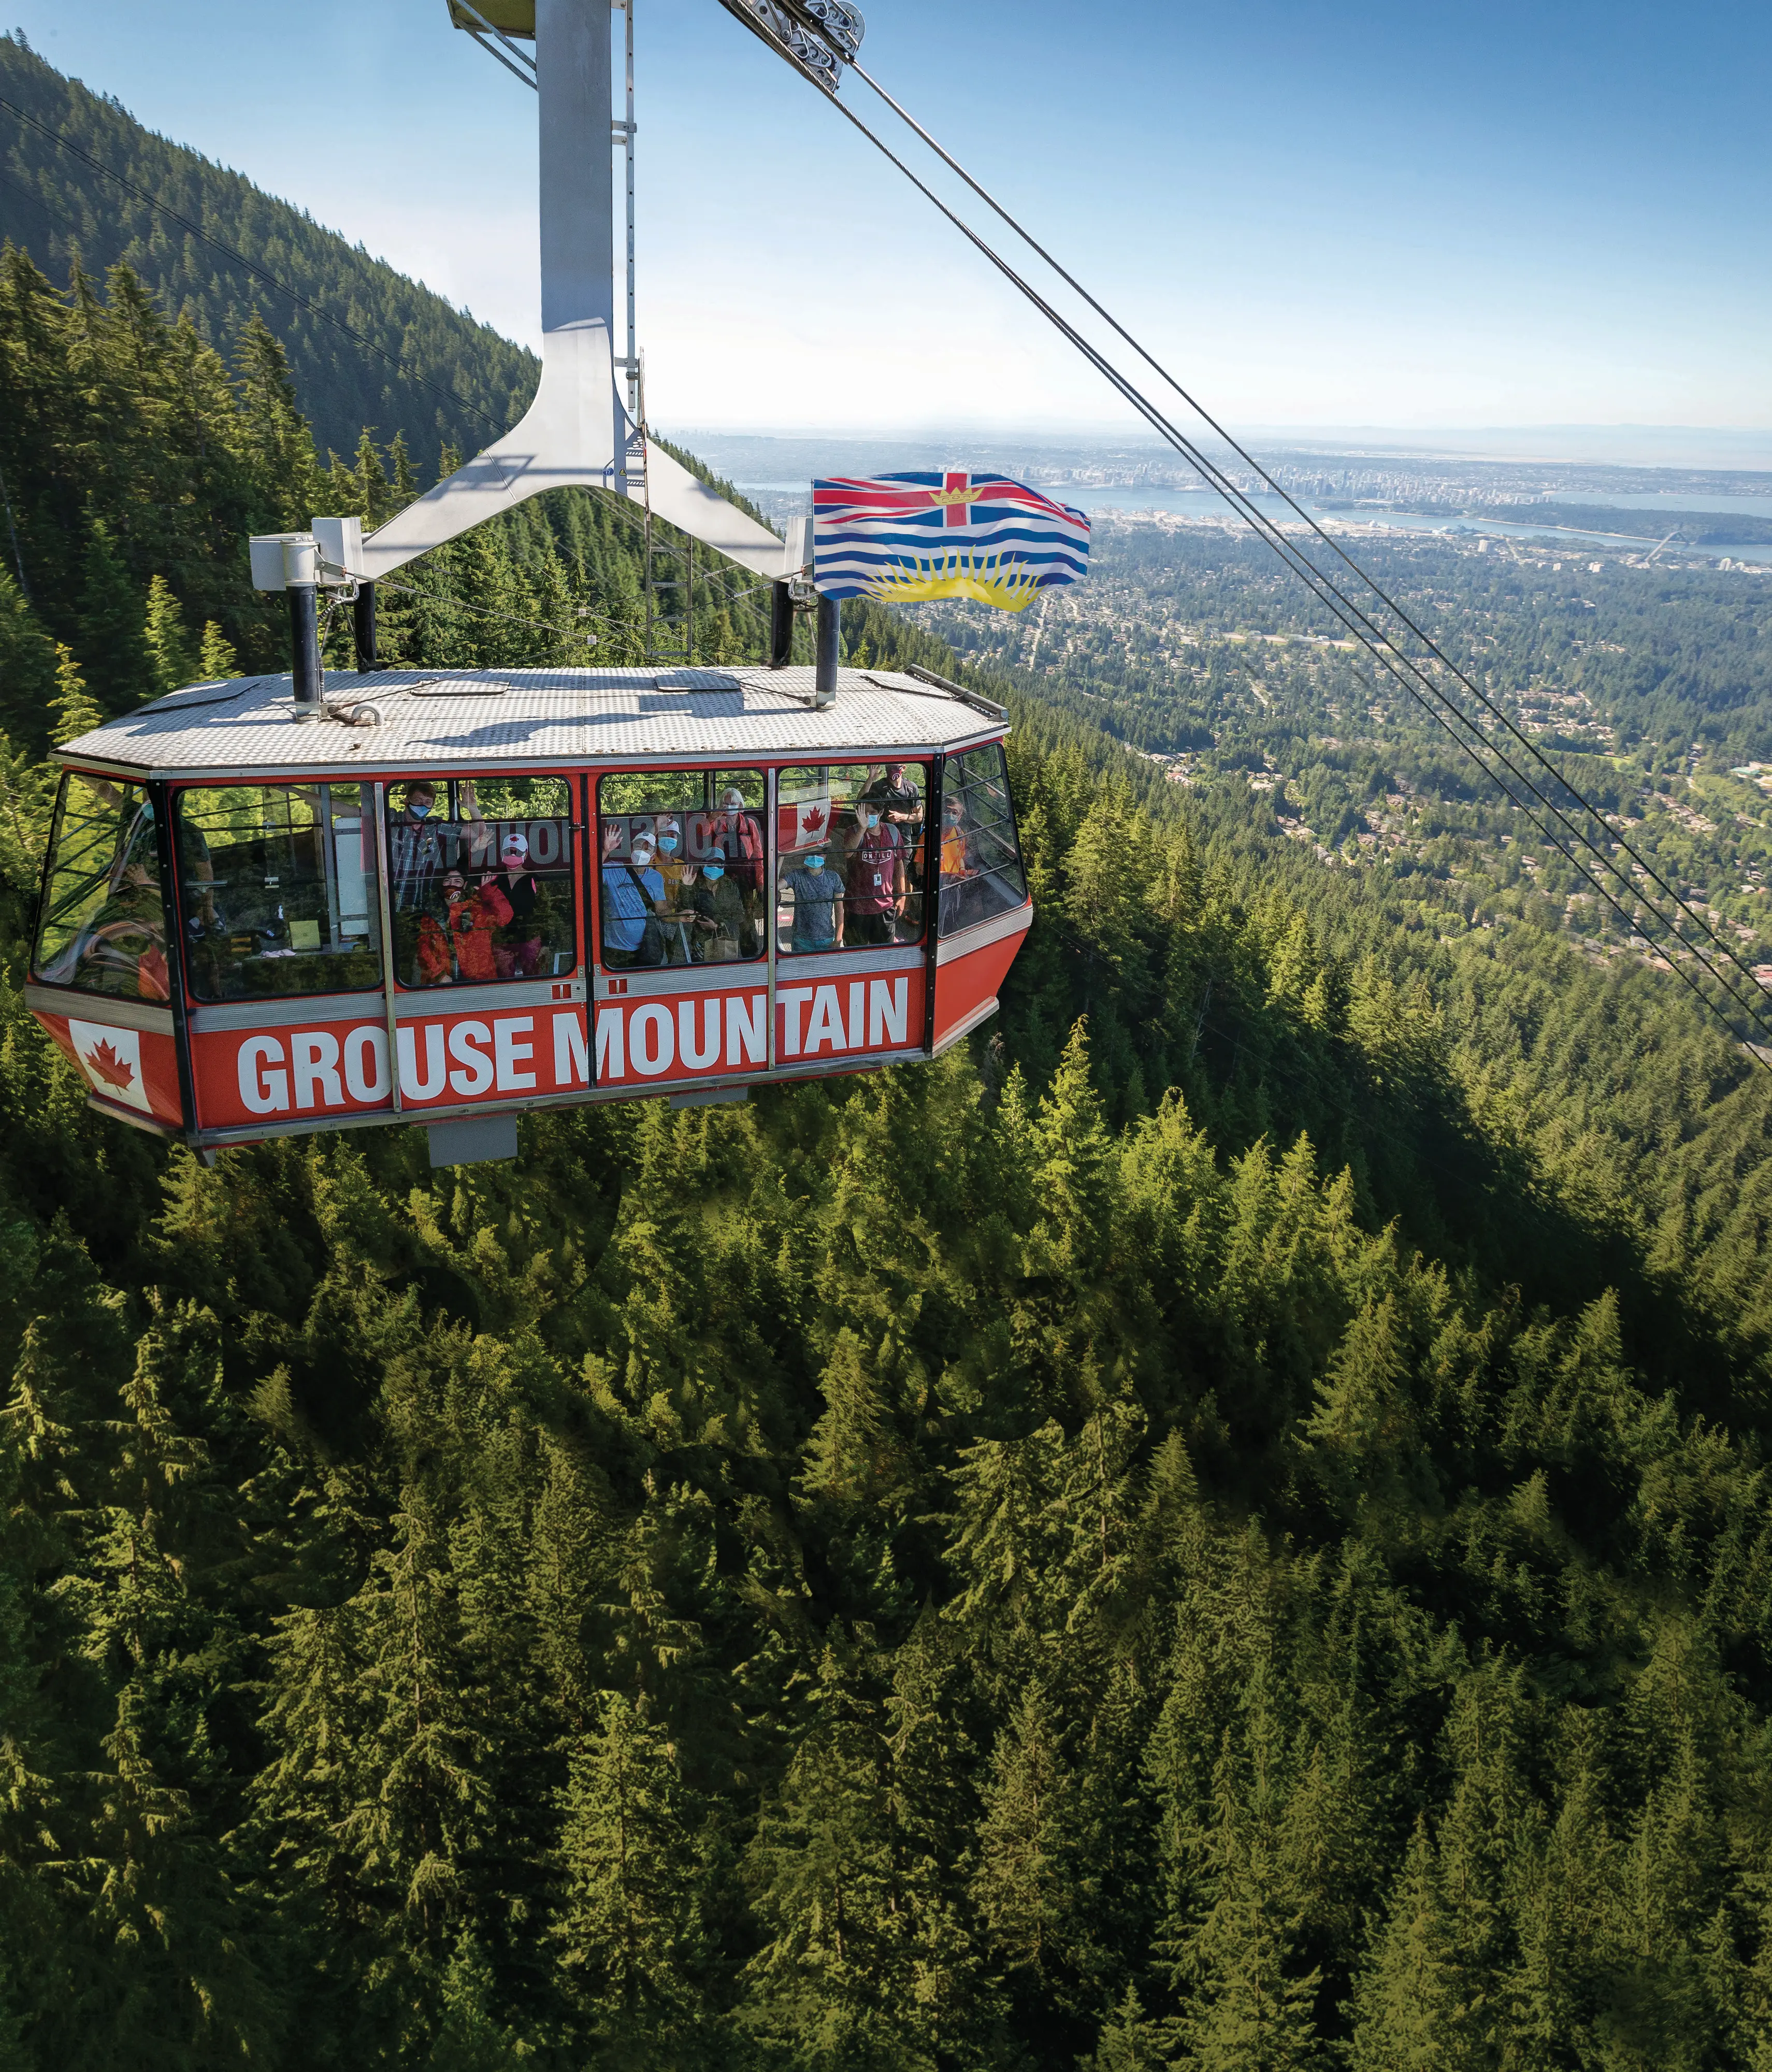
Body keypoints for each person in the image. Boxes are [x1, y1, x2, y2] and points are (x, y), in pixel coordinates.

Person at [389, 778, 485, 915]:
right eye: (418, 801)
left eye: (428, 802)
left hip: (422, 904)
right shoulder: (391, 818)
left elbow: (478, 832)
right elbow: (361, 813)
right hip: (391, 901)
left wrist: (472, 808)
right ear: (407, 800)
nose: (423, 805)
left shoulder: (435, 827)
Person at [416, 868, 512, 985]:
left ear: (465, 885)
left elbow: (505, 917)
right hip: (444, 982)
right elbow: (424, 948)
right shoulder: (431, 912)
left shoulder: (478, 908)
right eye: (447, 880)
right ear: (442, 884)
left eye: (457, 881)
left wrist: (487, 891)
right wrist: (439, 976)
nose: (451, 884)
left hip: (480, 979)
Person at [600, 821, 666, 969]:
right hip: (612, 948)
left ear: (653, 856)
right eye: (638, 846)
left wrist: (679, 916)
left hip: (642, 949)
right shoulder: (613, 869)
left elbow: (662, 910)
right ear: (631, 849)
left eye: (647, 848)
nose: (642, 850)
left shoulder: (656, 878)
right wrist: (606, 851)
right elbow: (589, 874)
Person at [842, 797, 906, 945]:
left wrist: (902, 895)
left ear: (881, 813)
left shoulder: (892, 832)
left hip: (885, 905)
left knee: (884, 953)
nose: (868, 816)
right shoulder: (853, 831)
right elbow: (848, 853)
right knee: (855, 953)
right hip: (857, 907)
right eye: (864, 813)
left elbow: (899, 863)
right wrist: (862, 828)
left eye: (872, 813)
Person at [484, 829, 546, 979]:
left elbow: (544, 911)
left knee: (534, 981)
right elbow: (486, 911)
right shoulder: (494, 879)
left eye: (517, 852)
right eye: (509, 852)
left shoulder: (534, 879)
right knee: (504, 983)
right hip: (502, 941)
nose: (513, 856)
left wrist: (546, 942)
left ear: (526, 854)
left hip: (529, 938)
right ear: (502, 853)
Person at [682, 846, 757, 962]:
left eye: (719, 864)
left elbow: (739, 915)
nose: (715, 867)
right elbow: (685, 911)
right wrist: (686, 887)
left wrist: (718, 926)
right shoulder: (694, 886)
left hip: (727, 941)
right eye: (712, 863)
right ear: (703, 864)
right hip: (701, 945)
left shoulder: (730, 886)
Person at [781, 844, 845, 953]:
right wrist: (780, 857)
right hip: (801, 940)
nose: (815, 857)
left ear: (825, 856)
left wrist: (838, 940)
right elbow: (775, 886)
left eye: (818, 853)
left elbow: (839, 910)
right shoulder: (796, 876)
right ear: (805, 855)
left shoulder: (833, 878)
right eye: (811, 853)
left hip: (827, 939)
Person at [711, 786, 765, 906]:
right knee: (725, 909)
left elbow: (758, 854)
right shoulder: (716, 823)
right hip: (723, 876)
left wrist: (760, 881)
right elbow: (701, 833)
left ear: (740, 805)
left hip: (746, 878)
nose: (729, 807)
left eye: (733, 804)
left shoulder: (749, 824)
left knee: (747, 911)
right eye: (726, 804)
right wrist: (712, 817)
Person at [938, 792, 976, 934]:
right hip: (938, 887)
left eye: (955, 813)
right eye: (947, 811)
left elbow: (960, 857)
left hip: (953, 886)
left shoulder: (960, 835)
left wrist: (962, 871)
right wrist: (947, 876)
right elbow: (920, 869)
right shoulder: (931, 835)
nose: (950, 815)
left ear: (960, 817)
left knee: (950, 916)